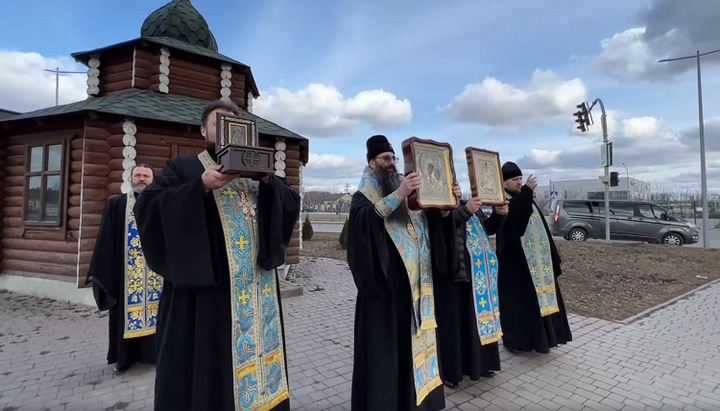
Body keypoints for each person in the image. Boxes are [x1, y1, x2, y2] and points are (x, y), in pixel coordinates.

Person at [134, 100, 300, 411]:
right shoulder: (184, 168)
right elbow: (148, 209)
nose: (227, 132)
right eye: (218, 124)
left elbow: (290, 204)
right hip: (208, 298)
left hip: (256, 290)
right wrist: (199, 187)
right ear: (203, 131)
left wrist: (268, 181)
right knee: (210, 370)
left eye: (235, 127)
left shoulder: (257, 172)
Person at [347, 135, 460, 411]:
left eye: (394, 158)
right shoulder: (363, 197)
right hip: (385, 295)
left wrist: (448, 206)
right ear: (371, 163)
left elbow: (429, 222)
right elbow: (363, 227)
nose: (392, 163)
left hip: (417, 290)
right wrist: (398, 195)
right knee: (387, 355)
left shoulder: (408, 193)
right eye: (386, 159)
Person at [85, 164, 159, 374]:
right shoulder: (117, 204)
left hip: (156, 276)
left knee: (158, 315)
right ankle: (124, 358)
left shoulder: (160, 203)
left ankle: (154, 356)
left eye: (146, 176)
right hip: (126, 276)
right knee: (124, 317)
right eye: (138, 175)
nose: (141, 179)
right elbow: (106, 240)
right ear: (131, 178)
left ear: (152, 179)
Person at [496, 161, 572, 354]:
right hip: (517, 264)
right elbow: (515, 223)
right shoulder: (502, 201)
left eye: (520, 179)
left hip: (538, 263)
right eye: (514, 180)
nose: (519, 183)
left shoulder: (524, 197)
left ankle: (545, 339)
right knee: (520, 303)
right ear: (503, 182)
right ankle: (518, 342)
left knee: (541, 300)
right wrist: (527, 192)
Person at [433, 195, 508, 388]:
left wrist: (500, 216)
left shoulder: (470, 205)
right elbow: (444, 227)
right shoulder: (439, 206)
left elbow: (487, 229)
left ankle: (480, 365)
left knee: (474, 324)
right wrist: (466, 210)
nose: (456, 189)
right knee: (454, 326)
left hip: (478, 276)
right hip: (454, 277)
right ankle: (451, 372)